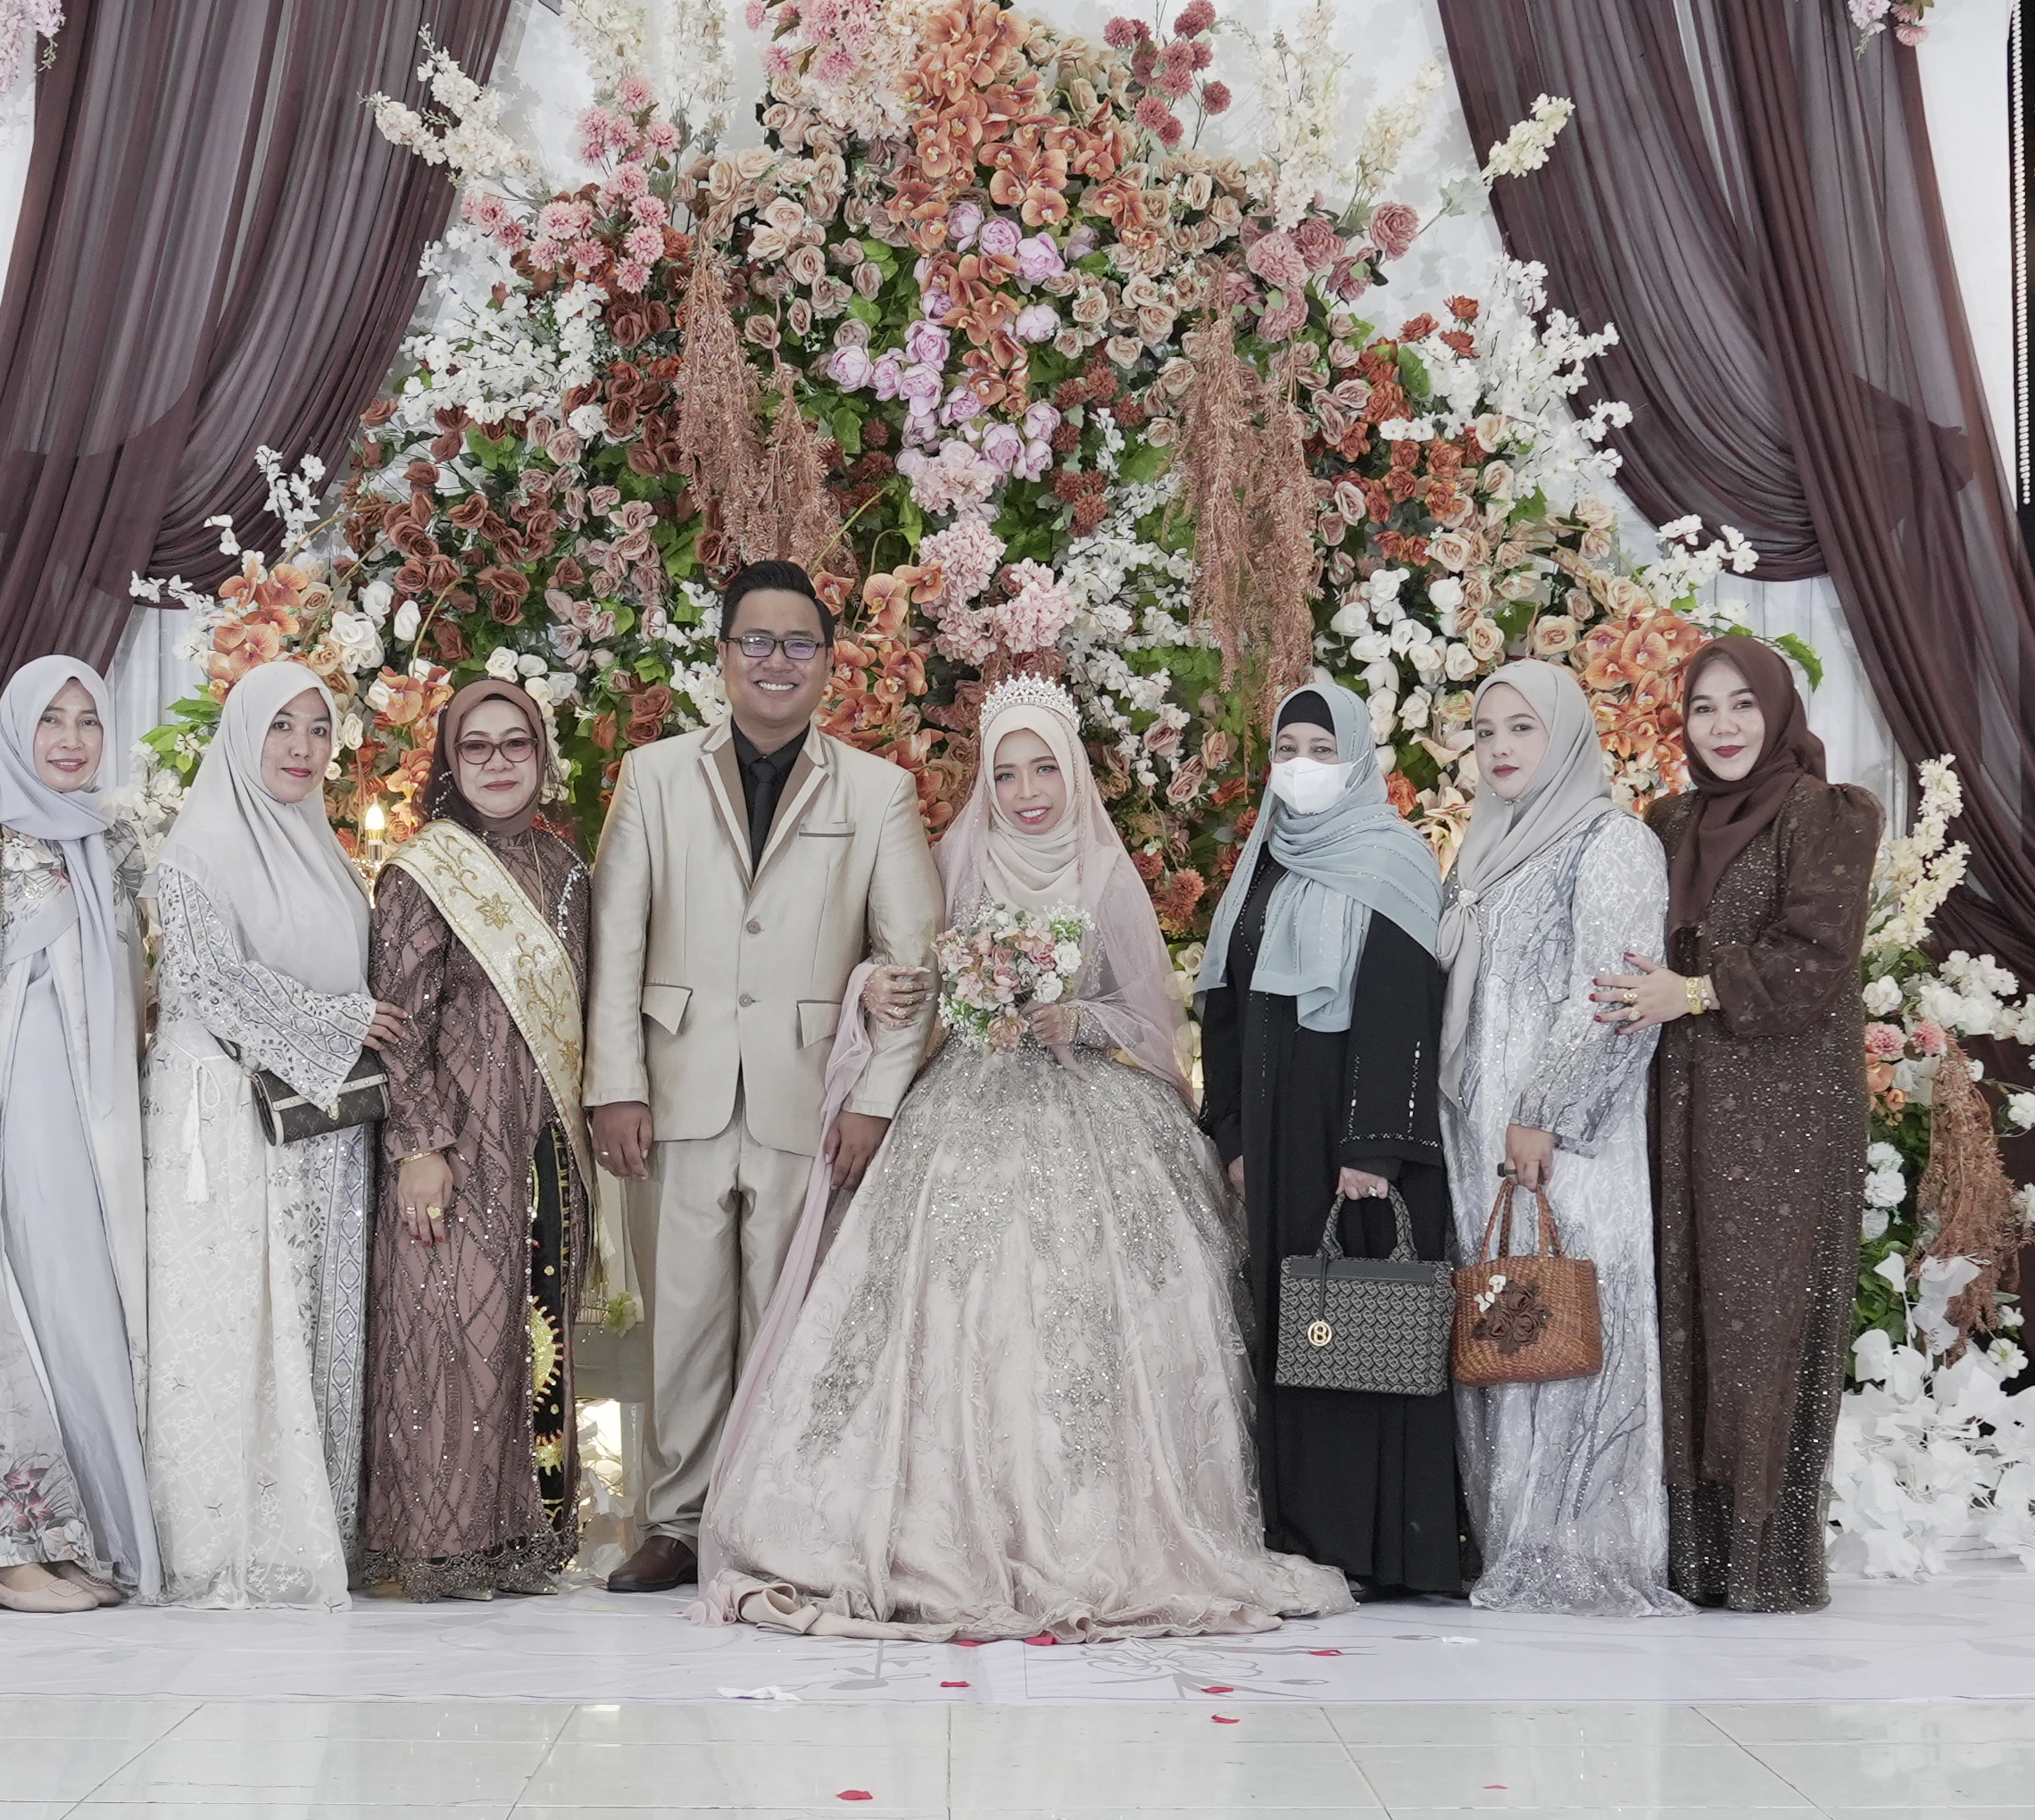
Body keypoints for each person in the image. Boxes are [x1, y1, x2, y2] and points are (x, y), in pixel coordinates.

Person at [699, 680, 1349, 1640]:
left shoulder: (1102, 875)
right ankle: (923, 1521)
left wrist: (1077, 1018)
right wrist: (875, 987)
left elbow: (1149, 1018)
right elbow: (898, 962)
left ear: (1075, 772)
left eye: (1045, 768)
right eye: (1006, 773)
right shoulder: (954, 862)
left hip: (1092, 1112)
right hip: (961, 1102)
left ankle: (1091, 1525)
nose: (1028, 791)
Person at [585, 559, 943, 1595]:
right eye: (756, 641)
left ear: (827, 663)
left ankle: (780, 1519)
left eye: (797, 644)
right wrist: (617, 1082)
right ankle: (676, 1523)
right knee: (683, 1319)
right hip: (678, 1087)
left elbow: (914, 963)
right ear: (723, 656)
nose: (775, 661)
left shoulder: (878, 792)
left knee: (796, 1324)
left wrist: (875, 1100)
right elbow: (616, 940)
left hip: (812, 1100)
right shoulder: (653, 776)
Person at [1593, 635, 1877, 1614]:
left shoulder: (1827, 814)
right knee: (1683, 1311)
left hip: (1784, 1103)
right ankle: (1691, 1558)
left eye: (1743, 705)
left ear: (1779, 712)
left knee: (1761, 1317)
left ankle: (1765, 1562)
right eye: (1704, 707)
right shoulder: (1670, 821)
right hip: (1680, 1097)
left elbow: (1817, 958)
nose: (1722, 726)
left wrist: (1695, 991)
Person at [0, 659, 158, 1613]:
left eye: (89, 720)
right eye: (51, 719)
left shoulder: (107, 838)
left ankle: (73, 1537)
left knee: (82, 1319)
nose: (72, 739)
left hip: (94, 1125)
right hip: (4, 1122)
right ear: (15, 729)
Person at [1200, 675, 1467, 1597]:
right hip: (1277, 1142)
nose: (1302, 767)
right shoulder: (1263, 861)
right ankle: (1301, 1532)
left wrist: (1373, 1149)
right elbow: (1225, 1001)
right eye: (1288, 751)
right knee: (1298, 1330)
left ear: (1357, 762)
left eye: (1323, 752)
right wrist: (1232, 1133)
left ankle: (1376, 1546)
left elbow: (1403, 1007)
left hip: (1357, 1143)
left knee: (1364, 1336)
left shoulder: (1395, 859)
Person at [140, 663, 394, 1609]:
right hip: (226, 1118)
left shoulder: (323, 849)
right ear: (244, 734)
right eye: (281, 726)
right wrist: (342, 1018)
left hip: (324, 1120)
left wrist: (343, 1026)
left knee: (317, 1310)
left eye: (318, 729)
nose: (301, 747)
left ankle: (324, 1523)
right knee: (242, 1315)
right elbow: (206, 981)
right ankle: (228, 1535)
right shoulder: (198, 850)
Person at [1437, 663, 1682, 1616]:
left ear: (1569, 736)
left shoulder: (1611, 842)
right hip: (1482, 1138)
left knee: (1569, 1318)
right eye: (1485, 730)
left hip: (1564, 1141)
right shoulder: (1485, 850)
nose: (1500, 747)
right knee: (1504, 1329)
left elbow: (1614, 994)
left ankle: (1581, 1550)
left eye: (1523, 728)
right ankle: (1508, 1539)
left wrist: (1545, 1108)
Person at [363, 676, 611, 1600]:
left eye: (516, 744)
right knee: (449, 1335)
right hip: (456, 1146)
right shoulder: (424, 871)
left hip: (545, 1143)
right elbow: (400, 1024)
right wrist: (418, 1146)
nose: (498, 762)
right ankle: (440, 1545)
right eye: (477, 746)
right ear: (450, 762)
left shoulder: (569, 867)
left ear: (541, 756)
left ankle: (521, 1541)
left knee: (530, 1336)